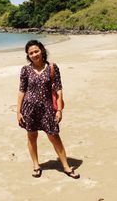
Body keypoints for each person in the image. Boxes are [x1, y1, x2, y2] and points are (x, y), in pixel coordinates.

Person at [17, 40, 80, 179]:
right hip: (29, 109)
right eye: (31, 53)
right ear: (28, 55)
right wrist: (18, 111)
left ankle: (66, 166)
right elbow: (22, 91)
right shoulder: (25, 70)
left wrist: (59, 110)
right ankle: (36, 165)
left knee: (54, 136)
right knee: (32, 136)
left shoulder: (52, 67)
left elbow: (58, 89)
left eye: (36, 51)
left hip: (48, 109)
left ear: (42, 51)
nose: (34, 54)